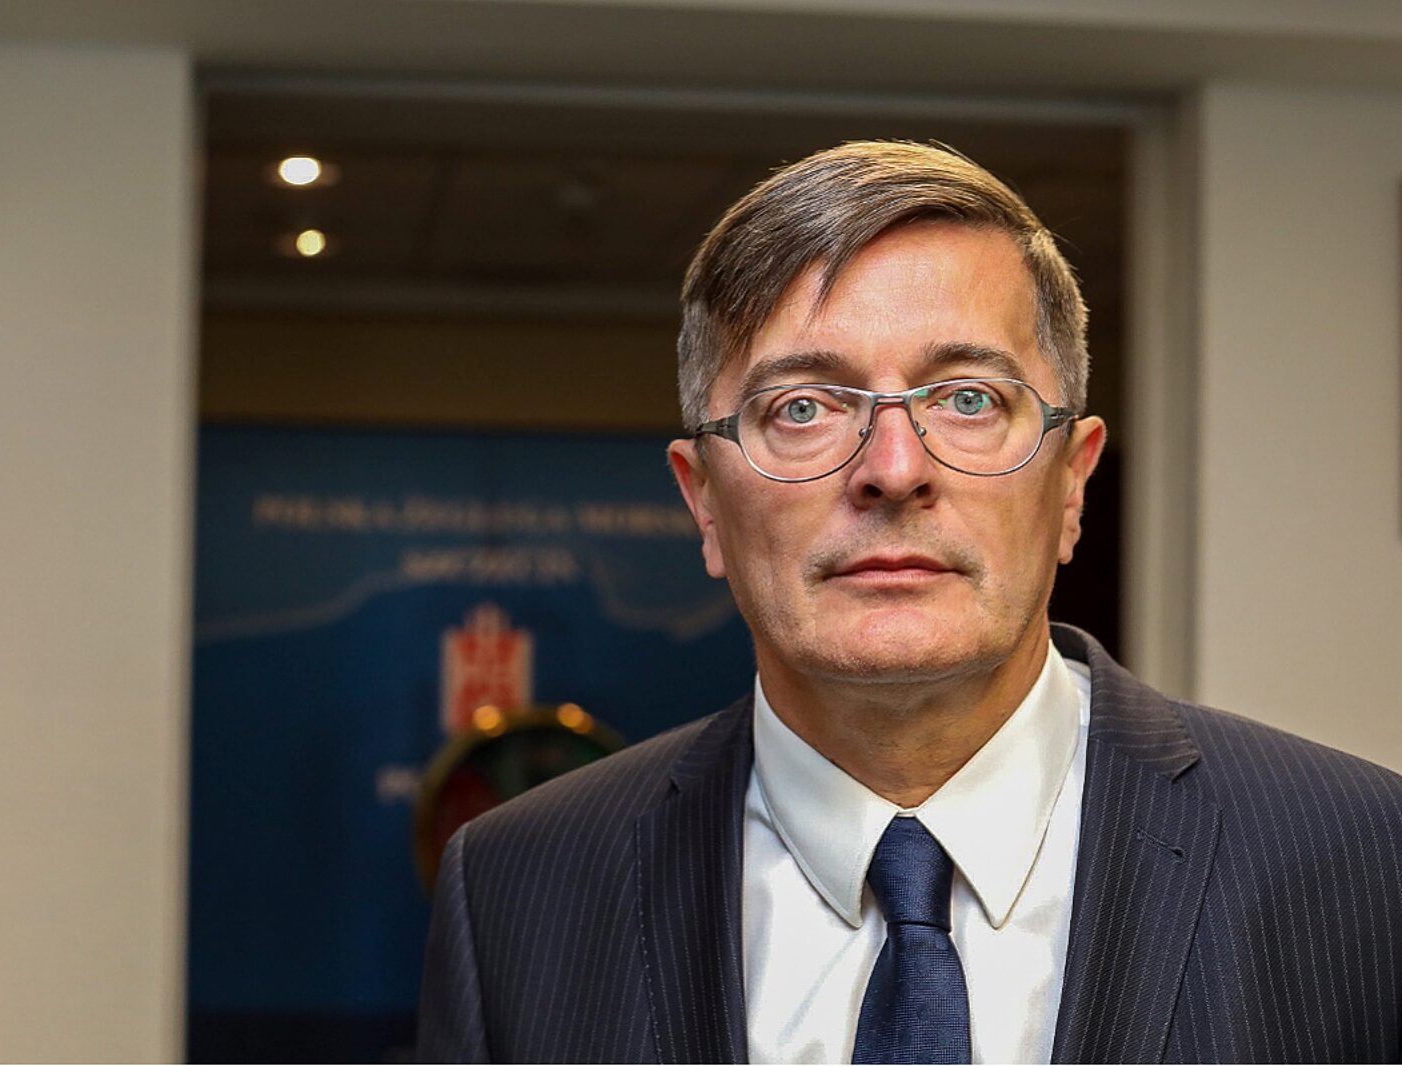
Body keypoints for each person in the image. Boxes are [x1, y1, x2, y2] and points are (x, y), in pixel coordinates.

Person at [414, 141, 1402, 1064]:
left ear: (1071, 483)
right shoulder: (515, 889)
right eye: (803, 407)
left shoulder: (1363, 860)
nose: (893, 469)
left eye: (968, 398)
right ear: (704, 499)